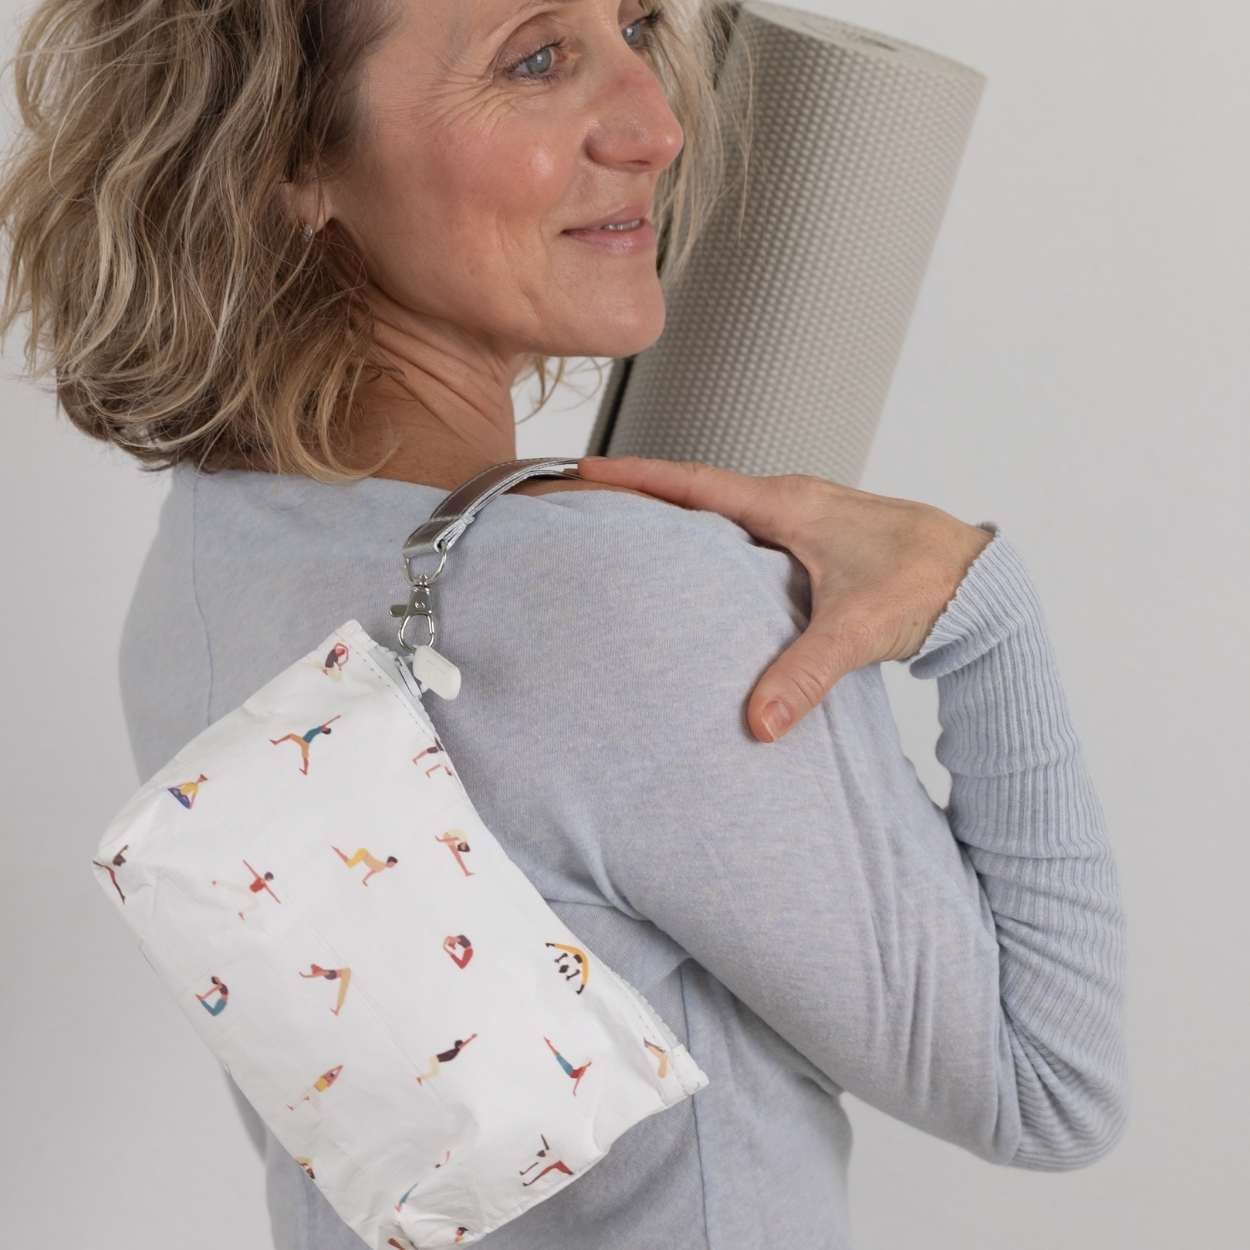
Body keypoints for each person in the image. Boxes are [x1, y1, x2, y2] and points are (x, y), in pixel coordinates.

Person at [0, 1, 1128, 1247]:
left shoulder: (208, 559)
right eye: (535, 58)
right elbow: (1044, 1086)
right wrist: (971, 597)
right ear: (290, 152)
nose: (657, 126)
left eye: (636, 23)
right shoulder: (623, 597)